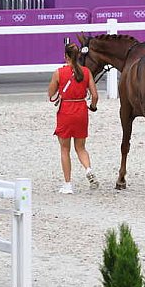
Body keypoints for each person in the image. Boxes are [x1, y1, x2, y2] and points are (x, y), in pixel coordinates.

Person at [48, 43, 99, 194]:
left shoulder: (59, 72)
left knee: (65, 148)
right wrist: (93, 106)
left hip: (66, 110)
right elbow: (95, 95)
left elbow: (51, 93)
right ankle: (88, 169)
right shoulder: (86, 72)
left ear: (66, 56)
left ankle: (68, 184)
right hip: (81, 110)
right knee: (81, 147)